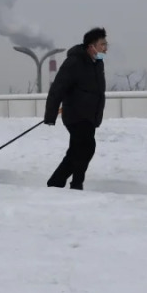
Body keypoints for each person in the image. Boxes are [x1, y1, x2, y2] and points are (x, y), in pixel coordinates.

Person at [44, 27, 107, 189]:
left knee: (77, 151)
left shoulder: (98, 64)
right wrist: (50, 115)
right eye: (102, 44)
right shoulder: (74, 62)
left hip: (89, 116)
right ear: (91, 46)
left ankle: (56, 182)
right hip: (76, 115)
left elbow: (98, 93)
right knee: (87, 147)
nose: (105, 48)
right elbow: (57, 88)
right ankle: (76, 185)